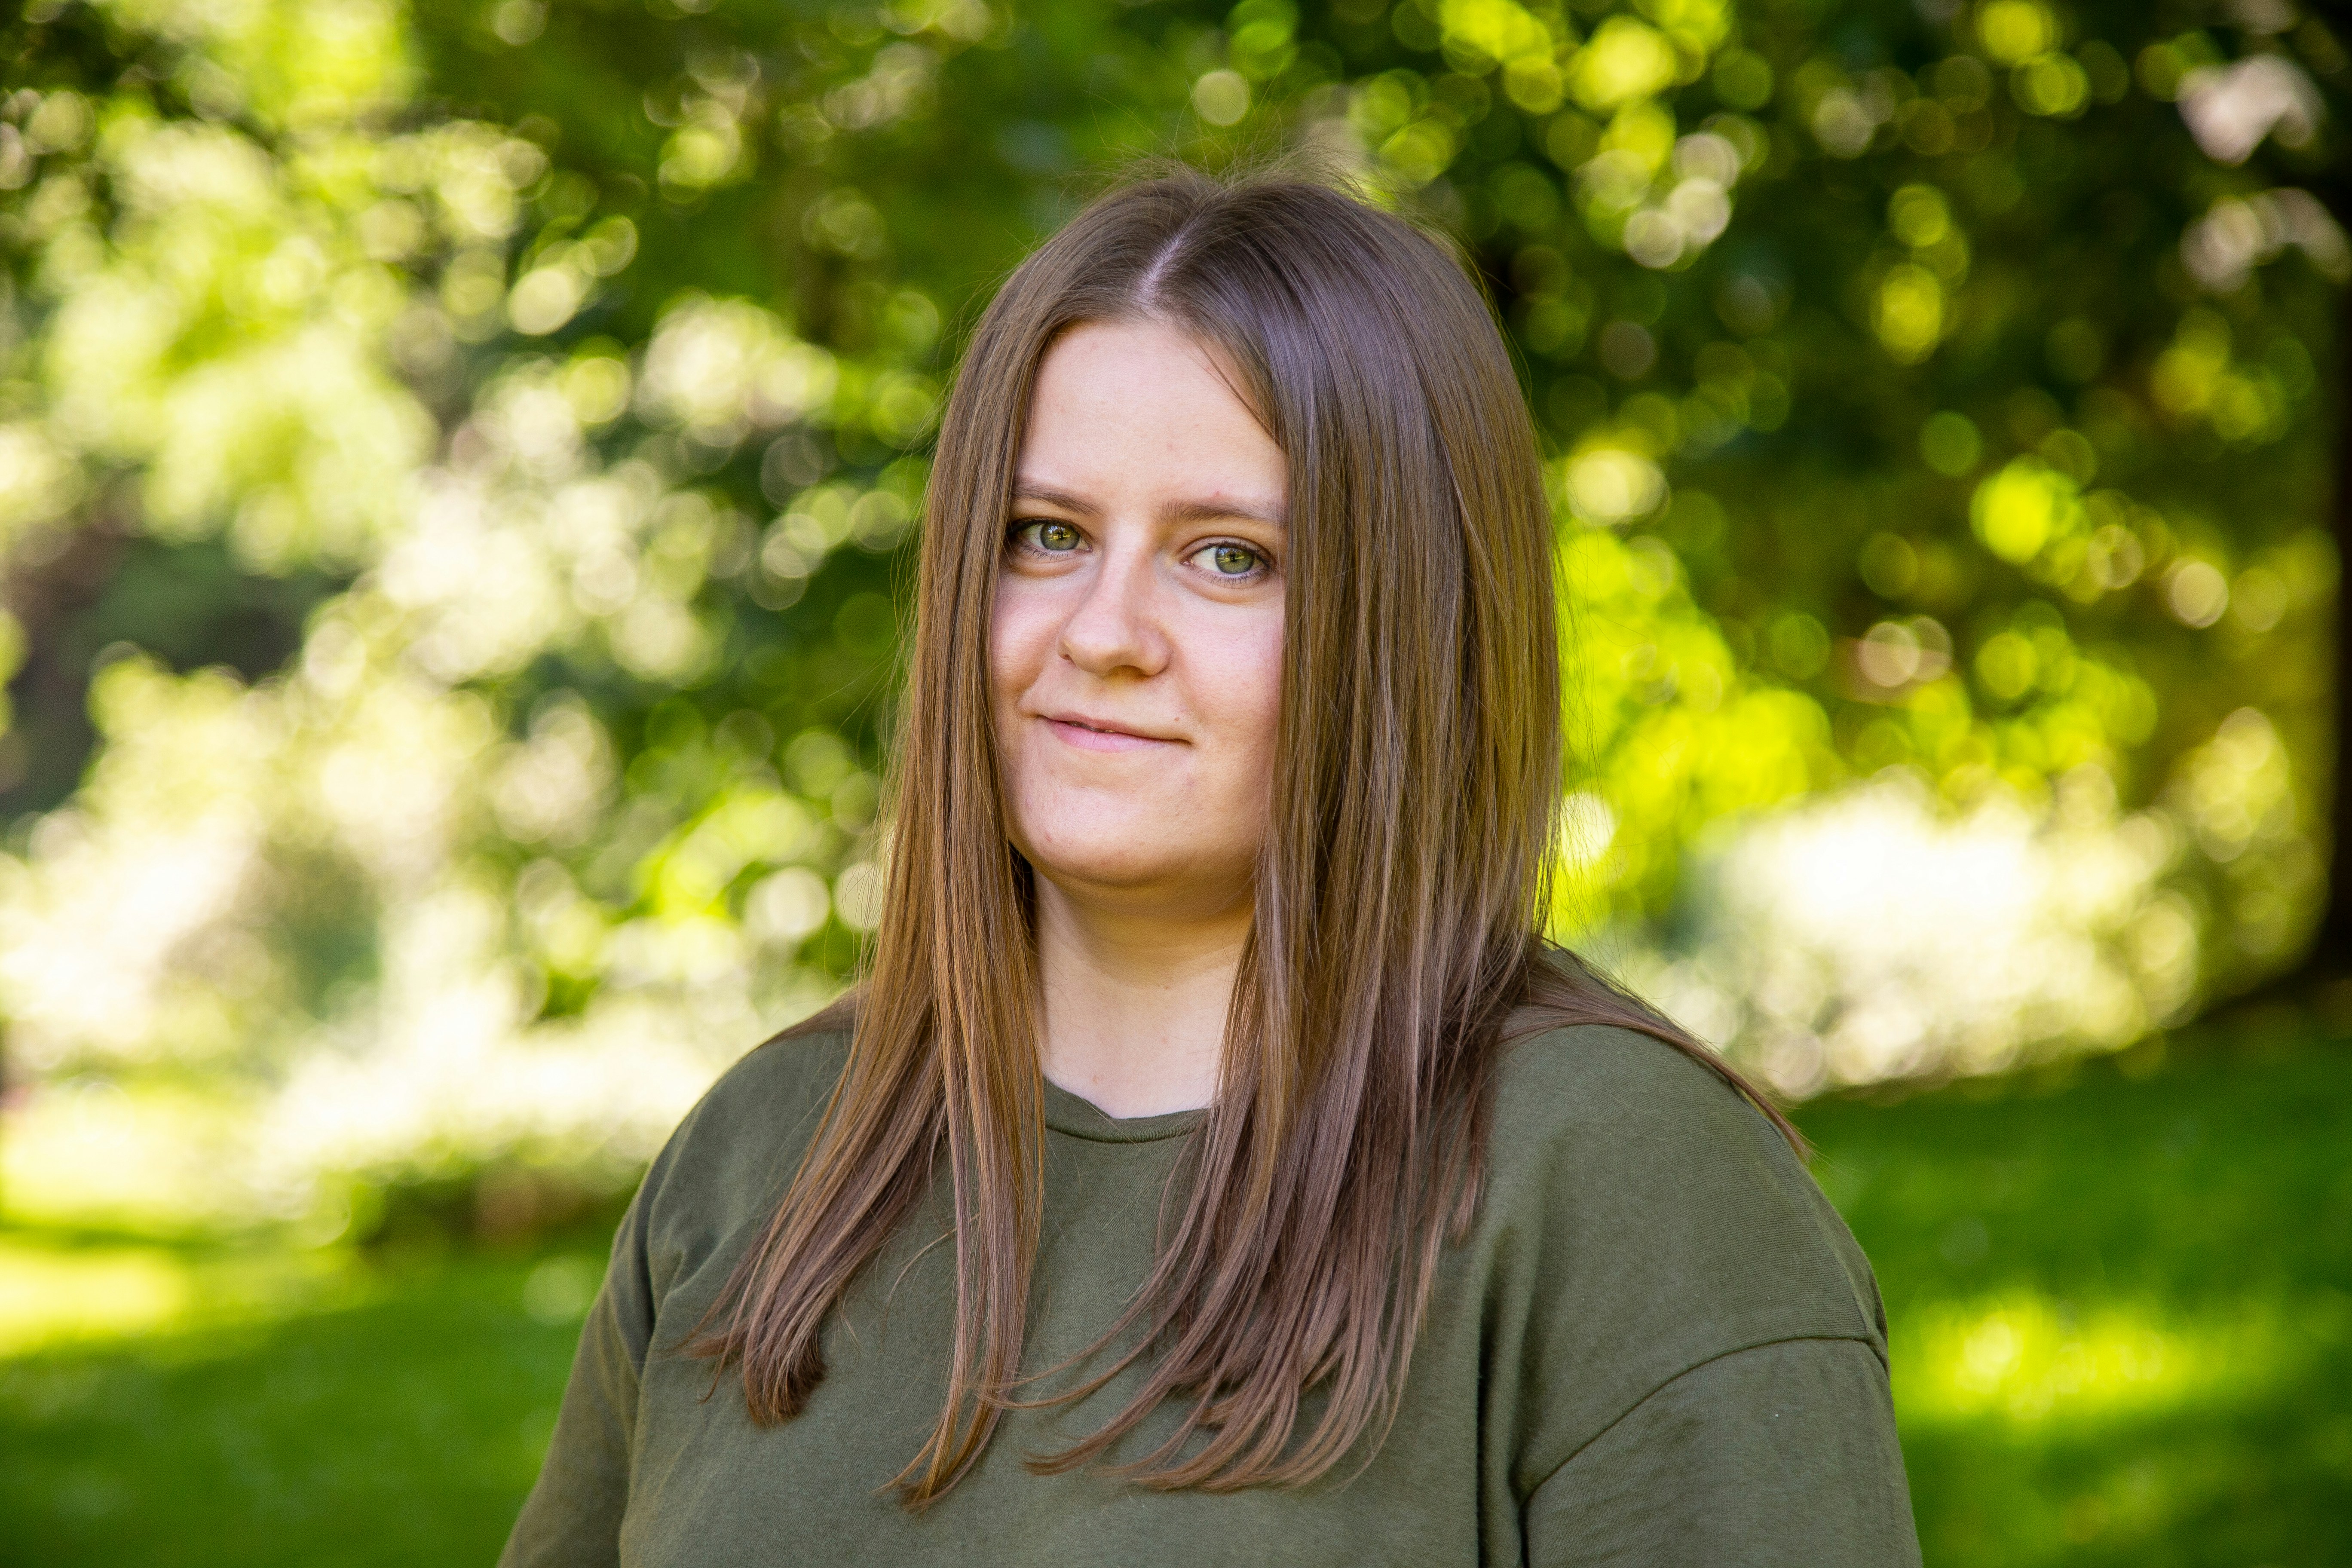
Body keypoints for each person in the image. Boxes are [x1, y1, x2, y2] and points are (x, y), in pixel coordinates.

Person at [499, 164, 1921, 1567]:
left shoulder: (1627, 1187)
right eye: (1045, 536)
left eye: (1230, 557)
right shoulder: (767, 1155)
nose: (1104, 630)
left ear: (1407, 624)